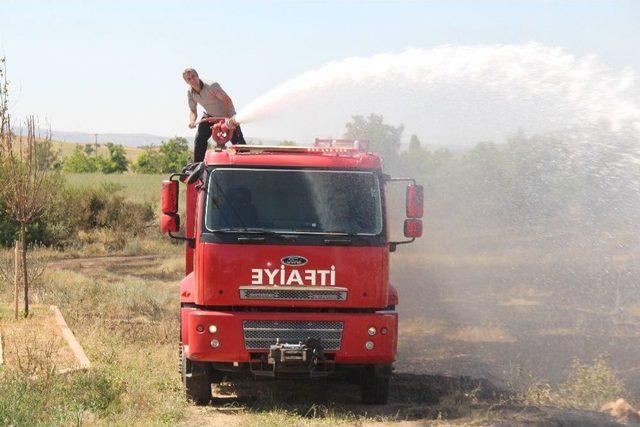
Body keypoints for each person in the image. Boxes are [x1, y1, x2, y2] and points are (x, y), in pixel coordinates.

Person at [183, 68, 246, 162]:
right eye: (188, 79)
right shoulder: (190, 93)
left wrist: (228, 119)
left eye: (193, 76)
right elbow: (193, 110)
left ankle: (246, 161)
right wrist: (192, 121)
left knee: (238, 143)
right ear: (186, 81)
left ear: (197, 76)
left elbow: (227, 101)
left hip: (227, 115)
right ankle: (198, 166)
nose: (192, 80)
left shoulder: (211, 86)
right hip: (210, 117)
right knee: (200, 139)